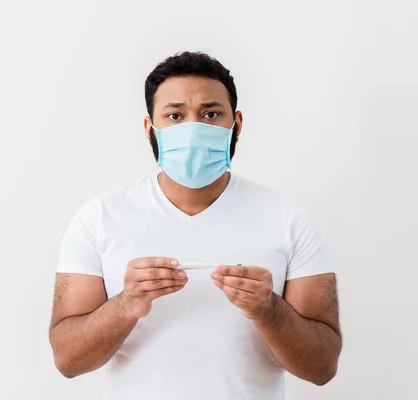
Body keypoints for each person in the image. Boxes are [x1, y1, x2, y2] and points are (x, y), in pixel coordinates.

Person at [49, 51, 341, 400]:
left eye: (211, 114)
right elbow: (67, 359)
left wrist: (268, 310)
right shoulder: (99, 218)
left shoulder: (291, 219)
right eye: (175, 115)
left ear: (237, 124)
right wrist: (125, 305)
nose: (193, 129)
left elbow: (323, 367)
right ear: (149, 128)